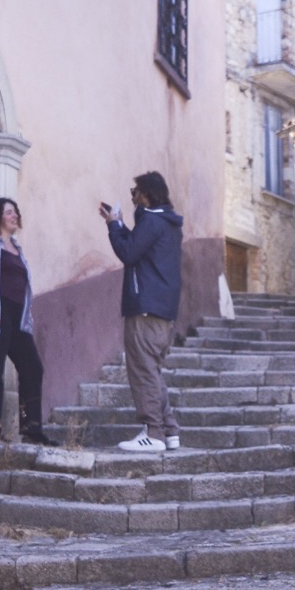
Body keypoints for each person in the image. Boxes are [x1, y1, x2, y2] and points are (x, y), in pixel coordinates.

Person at [98, 171, 184, 452]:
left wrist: (114, 225)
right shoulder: (165, 222)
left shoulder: (151, 220)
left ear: (146, 194)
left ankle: (153, 433)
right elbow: (137, 247)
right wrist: (119, 224)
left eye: (134, 192)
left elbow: (128, 253)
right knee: (151, 370)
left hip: (145, 306)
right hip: (161, 308)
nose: (132, 196)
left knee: (143, 371)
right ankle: (169, 430)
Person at [0, 197, 56, 446]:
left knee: (32, 367)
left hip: (18, 317)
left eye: (15, 211)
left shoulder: (17, 247)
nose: (15, 215)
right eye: (9, 212)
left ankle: (31, 429)